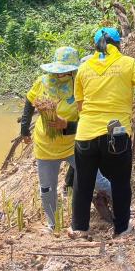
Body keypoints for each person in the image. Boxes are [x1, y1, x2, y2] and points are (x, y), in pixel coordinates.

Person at [69, 27, 135, 238]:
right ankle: (121, 228)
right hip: (116, 134)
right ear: (119, 45)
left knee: (83, 181)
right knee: (120, 181)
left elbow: (80, 106)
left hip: (86, 133)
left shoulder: (84, 68)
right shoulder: (128, 63)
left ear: (95, 45)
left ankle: (79, 228)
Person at [21, 46, 113, 231]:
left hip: (74, 145)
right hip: (46, 147)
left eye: (66, 71)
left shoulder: (82, 86)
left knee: (99, 180)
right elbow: (29, 103)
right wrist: (24, 129)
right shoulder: (42, 82)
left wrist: (67, 125)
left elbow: (92, 120)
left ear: (74, 70)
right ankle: (52, 225)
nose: (61, 75)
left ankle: (125, 206)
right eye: (58, 71)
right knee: (47, 189)